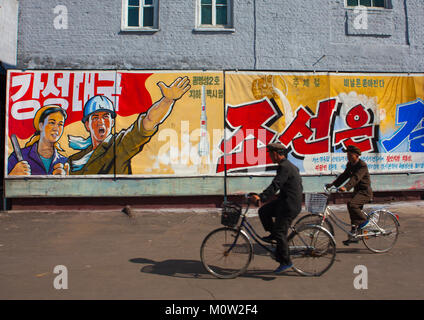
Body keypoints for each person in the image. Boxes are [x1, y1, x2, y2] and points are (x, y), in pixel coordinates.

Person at [67, 76, 191, 175]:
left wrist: (167, 101)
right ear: (87, 125)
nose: (101, 122)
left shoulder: (120, 145)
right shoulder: (74, 160)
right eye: (95, 118)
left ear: (112, 122)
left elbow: (148, 122)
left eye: (106, 116)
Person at [249, 143, 303, 274]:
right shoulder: (286, 166)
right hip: (284, 202)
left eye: (270, 154)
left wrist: (261, 197)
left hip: (289, 205)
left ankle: (286, 261)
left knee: (280, 232)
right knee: (264, 211)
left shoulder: (285, 167)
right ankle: (275, 237)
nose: (269, 156)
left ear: (275, 154)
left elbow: (276, 185)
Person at [325, 145, 373, 246]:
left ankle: (365, 222)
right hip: (357, 191)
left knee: (352, 205)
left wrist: (346, 187)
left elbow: (356, 178)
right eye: (347, 154)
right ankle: (353, 235)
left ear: (356, 155)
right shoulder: (350, 164)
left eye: (350, 154)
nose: (348, 156)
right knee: (352, 210)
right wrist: (333, 184)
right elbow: (344, 176)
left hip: (365, 192)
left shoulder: (362, 165)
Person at [8, 105, 69, 175]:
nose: (56, 128)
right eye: (52, 123)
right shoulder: (18, 157)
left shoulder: (63, 161)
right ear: (40, 125)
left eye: (60, 124)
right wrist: (13, 174)